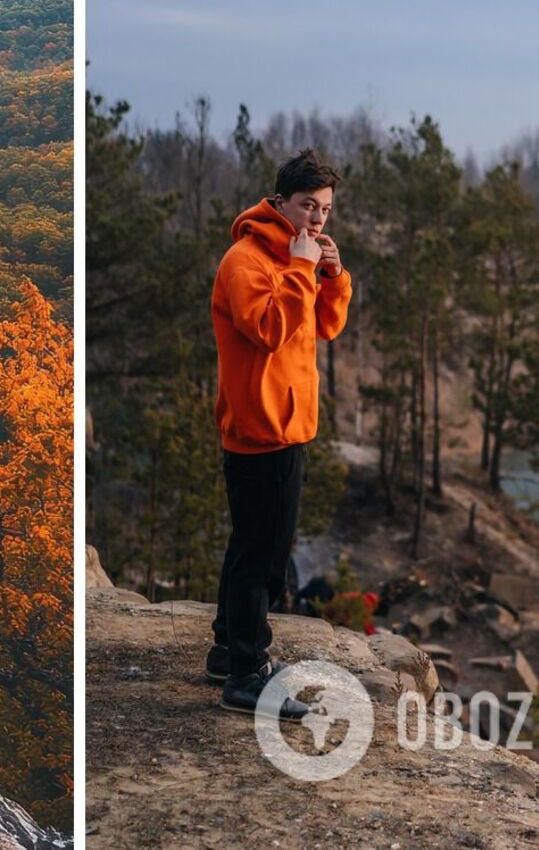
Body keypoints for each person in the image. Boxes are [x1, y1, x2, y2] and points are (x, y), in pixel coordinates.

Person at [204, 150, 352, 721]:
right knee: (262, 559)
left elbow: (326, 326)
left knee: (252, 546)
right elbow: (268, 330)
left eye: (326, 210)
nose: (317, 220)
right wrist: (300, 269)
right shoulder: (246, 261)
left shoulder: (299, 256)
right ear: (281, 202)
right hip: (261, 430)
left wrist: (331, 274)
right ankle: (247, 675)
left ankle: (226, 650)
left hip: (287, 426)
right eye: (308, 207)